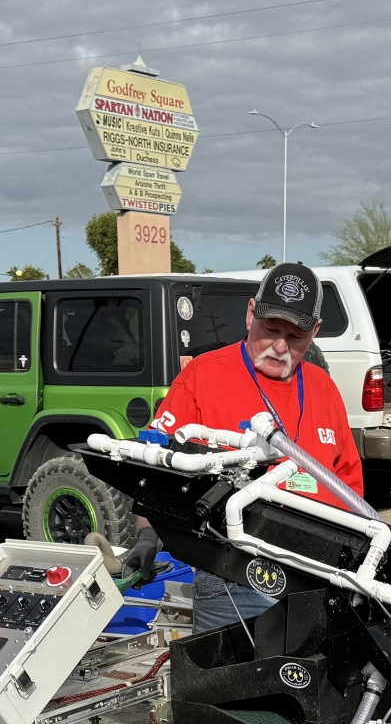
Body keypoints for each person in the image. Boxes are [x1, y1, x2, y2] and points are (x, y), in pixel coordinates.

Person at [148, 262, 363, 633]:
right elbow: (151, 467)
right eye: (271, 330)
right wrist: (145, 535)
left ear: (315, 332)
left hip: (319, 575)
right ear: (251, 314)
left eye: (295, 336)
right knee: (233, 684)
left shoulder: (323, 387)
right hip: (233, 576)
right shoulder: (203, 375)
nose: (279, 347)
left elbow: (349, 485)